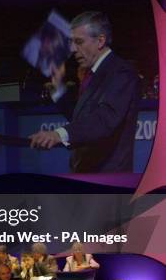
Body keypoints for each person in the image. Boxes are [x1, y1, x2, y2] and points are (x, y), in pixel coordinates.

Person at [30, 11, 139, 173]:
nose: (73, 49)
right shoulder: (93, 73)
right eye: (72, 42)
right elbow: (80, 117)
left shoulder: (121, 72)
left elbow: (104, 120)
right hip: (85, 176)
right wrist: (59, 88)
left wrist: (59, 134)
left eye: (79, 42)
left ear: (100, 41)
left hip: (108, 181)